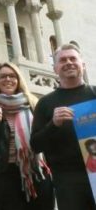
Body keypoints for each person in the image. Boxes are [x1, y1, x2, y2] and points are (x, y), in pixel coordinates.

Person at [31, 43, 96, 210]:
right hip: (68, 182)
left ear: (83, 64)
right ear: (55, 68)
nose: (68, 62)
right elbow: (35, 145)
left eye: (73, 58)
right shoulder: (45, 104)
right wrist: (53, 124)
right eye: (62, 60)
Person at [0, 62, 54, 209]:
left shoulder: (33, 103)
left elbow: (44, 137)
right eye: (2, 76)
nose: (8, 79)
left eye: (12, 76)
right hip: (4, 174)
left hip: (36, 171)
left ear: (18, 79)